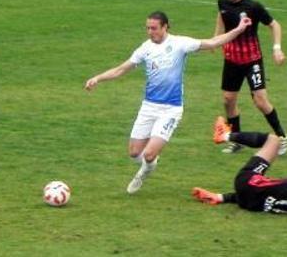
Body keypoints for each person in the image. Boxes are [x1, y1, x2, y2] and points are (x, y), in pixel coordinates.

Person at [85, 11, 252, 194]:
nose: (150, 32)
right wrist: (98, 78)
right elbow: (121, 70)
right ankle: (149, 165)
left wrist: (239, 29)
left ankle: (146, 167)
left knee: (149, 153)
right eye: (148, 28)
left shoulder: (180, 44)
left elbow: (212, 42)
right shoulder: (145, 48)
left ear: (165, 27)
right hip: (148, 107)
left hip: (170, 109)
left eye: (154, 28)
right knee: (134, 152)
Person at [192, 117, 287, 214]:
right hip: (248, 202)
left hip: (246, 181)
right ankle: (217, 197)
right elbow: (259, 198)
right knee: (264, 187)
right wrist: (223, 198)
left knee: (274, 140)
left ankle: (225, 135)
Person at [214, 0, 287, 154]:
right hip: (231, 60)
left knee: (260, 101)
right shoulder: (222, 2)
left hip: (251, 61)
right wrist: (216, 38)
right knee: (228, 100)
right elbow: (222, 17)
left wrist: (277, 48)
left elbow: (274, 25)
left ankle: (281, 137)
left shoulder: (253, 7)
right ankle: (237, 140)